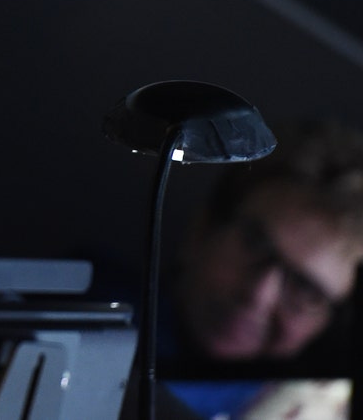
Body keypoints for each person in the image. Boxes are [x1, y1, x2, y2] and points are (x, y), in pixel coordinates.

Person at [156, 118, 363, 418]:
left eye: (305, 288)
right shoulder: (87, 312)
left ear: (332, 324)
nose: (259, 294)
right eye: (255, 244)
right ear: (201, 230)